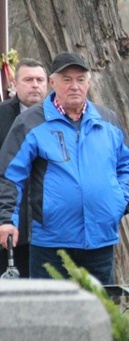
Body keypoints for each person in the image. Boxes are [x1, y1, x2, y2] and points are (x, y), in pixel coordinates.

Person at [0, 52, 129, 284]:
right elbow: (10, 175)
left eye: (80, 79)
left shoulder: (108, 120)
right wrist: (7, 219)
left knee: (100, 312)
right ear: (53, 83)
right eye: (67, 79)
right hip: (51, 243)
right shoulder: (30, 123)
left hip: (100, 241)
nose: (74, 86)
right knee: (52, 315)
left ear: (88, 83)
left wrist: (120, 200)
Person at [0, 58, 47, 277]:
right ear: (15, 84)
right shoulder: (2, 116)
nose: (35, 85)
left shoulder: (58, 116)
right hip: (8, 219)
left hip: (46, 221)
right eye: (28, 80)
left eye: (40, 80)